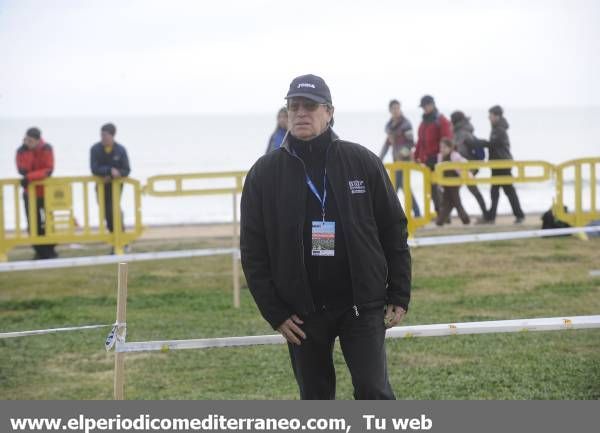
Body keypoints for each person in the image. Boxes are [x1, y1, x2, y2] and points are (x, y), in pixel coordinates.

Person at [240, 74, 411, 400]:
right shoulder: (264, 174)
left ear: (329, 112)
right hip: (301, 312)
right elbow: (252, 250)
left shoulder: (362, 161)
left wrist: (399, 292)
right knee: (316, 397)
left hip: (361, 304)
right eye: (294, 106)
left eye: (310, 106)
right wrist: (274, 311)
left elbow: (394, 228)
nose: (301, 113)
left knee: (374, 391)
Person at [472, 106, 525, 224]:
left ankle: (512, 215)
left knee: (506, 191)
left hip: (502, 164)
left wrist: (479, 142)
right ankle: (493, 217)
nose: (489, 118)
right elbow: (493, 144)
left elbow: (493, 144)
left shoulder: (499, 129)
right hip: (498, 163)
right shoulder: (497, 128)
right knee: (498, 192)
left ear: (497, 116)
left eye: (490, 116)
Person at [15, 127, 58, 259]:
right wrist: (28, 151)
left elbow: (48, 171)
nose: (27, 142)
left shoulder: (47, 148)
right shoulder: (22, 151)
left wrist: (30, 177)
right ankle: (40, 252)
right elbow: (22, 170)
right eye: (26, 139)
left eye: (30, 140)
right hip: (30, 193)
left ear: (38, 140)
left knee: (48, 223)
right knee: (33, 224)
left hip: (46, 193)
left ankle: (49, 251)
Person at [379, 99, 421, 217]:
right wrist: (379, 159)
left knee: (395, 187)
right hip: (395, 161)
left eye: (398, 108)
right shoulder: (390, 127)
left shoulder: (406, 124)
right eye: (393, 109)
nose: (396, 111)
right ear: (390, 110)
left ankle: (390, 214)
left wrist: (402, 154)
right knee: (402, 187)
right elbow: (387, 144)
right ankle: (416, 213)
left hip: (405, 161)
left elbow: (411, 143)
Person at [90, 123, 131, 236]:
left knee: (113, 209)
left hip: (116, 185)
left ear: (112, 135)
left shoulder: (121, 150)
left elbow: (126, 170)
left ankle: (120, 238)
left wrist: (114, 175)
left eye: (105, 135)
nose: (102, 137)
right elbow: (94, 168)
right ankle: (115, 237)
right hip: (101, 185)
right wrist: (109, 170)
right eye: (101, 135)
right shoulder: (95, 149)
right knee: (105, 212)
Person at [414, 95, 452, 214]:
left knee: (440, 187)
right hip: (427, 160)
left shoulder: (441, 120)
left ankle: (443, 213)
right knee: (431, 188)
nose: (424, 109)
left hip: (439, 160)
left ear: (432, 105)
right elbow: (420, 141)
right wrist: (416, 156)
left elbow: (447, 141)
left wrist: (442, 158)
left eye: (426, 106)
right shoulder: (423, 122)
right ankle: (439, 211)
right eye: (423, 107)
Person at [450, 111, 489, 220]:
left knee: (467, 190)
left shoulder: (462, 133)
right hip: (465, 166)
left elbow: (462, 150)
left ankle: (485, 215)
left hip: (467, 167)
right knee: (455, 191)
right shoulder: (463, 131)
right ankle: (483, 214)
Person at [435, 138, 470, 226]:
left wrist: (468, 175)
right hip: (445, 183)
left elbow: (464, 163)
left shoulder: (455, 156)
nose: (442, 149)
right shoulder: (440, 156)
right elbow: (438, 171)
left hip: (454, 183)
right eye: (441, 147)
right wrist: (440, 183)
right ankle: (441, 220)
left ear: (450, 148)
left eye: (444, 147)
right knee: (448, 202)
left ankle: (464, 219)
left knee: (454, 201)